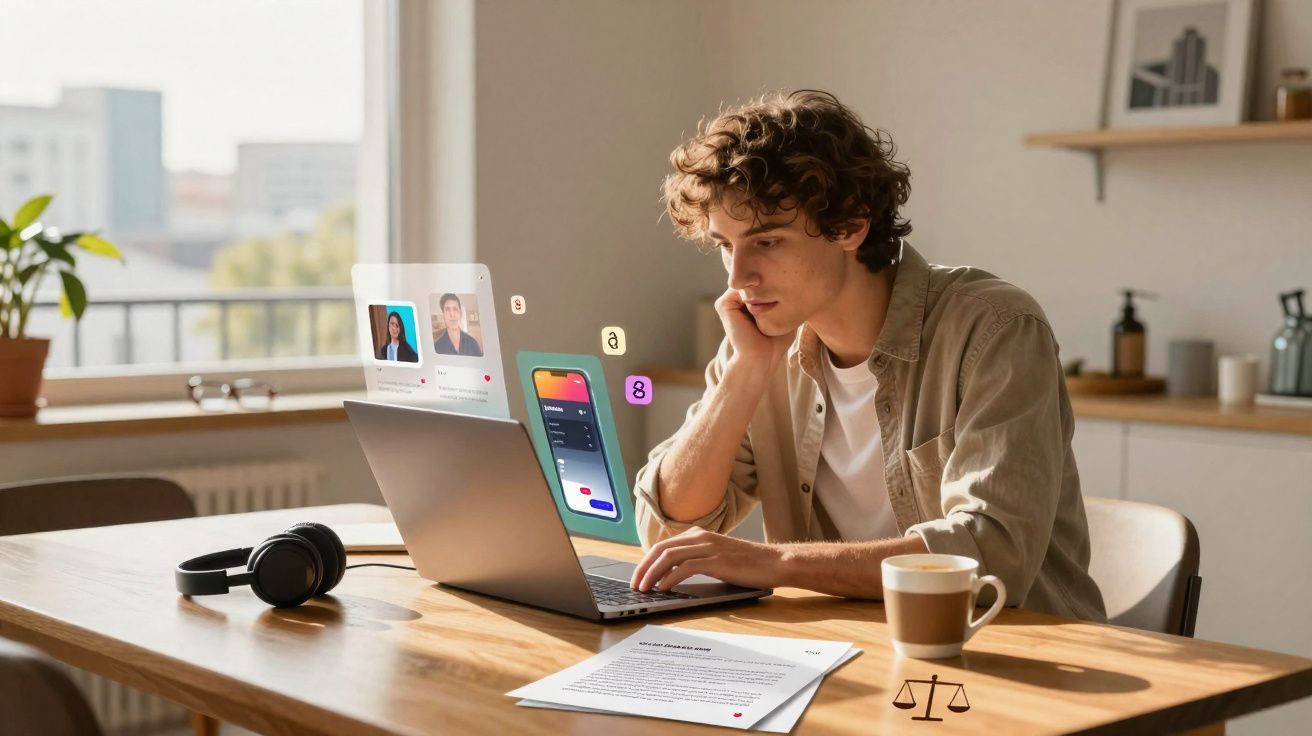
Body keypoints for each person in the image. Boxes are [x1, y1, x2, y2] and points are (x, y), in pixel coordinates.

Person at [628, 90, 1106, 622]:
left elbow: (991, 554)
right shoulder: (759, 339)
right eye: (724, 245)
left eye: (767, 242)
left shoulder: (994, 329)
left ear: (850, 226)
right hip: (849, 656)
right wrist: (743, 374)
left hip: (1016, 656)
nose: (738, 278)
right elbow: (666, 526)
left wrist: (778, 562)